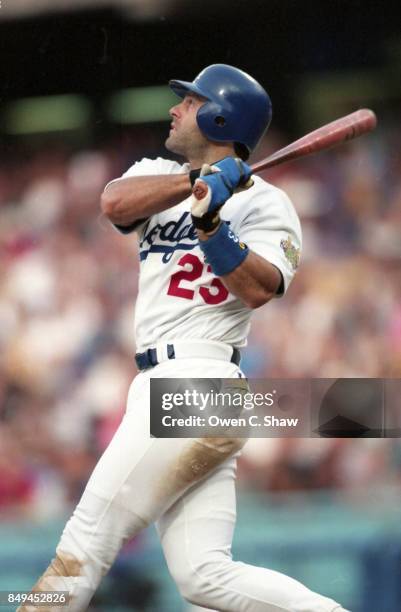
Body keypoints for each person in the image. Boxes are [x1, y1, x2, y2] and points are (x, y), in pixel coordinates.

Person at [19, 64, 349, 612]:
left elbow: (260, 289)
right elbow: (113, 204)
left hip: (197, 380)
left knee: (84, 543)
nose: (175, 109)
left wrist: (213, 227)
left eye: (190, 102)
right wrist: (195, 184)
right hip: (171, 386)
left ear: (220, 115)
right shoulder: (157, 173)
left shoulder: (267, 202)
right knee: (203, 576)